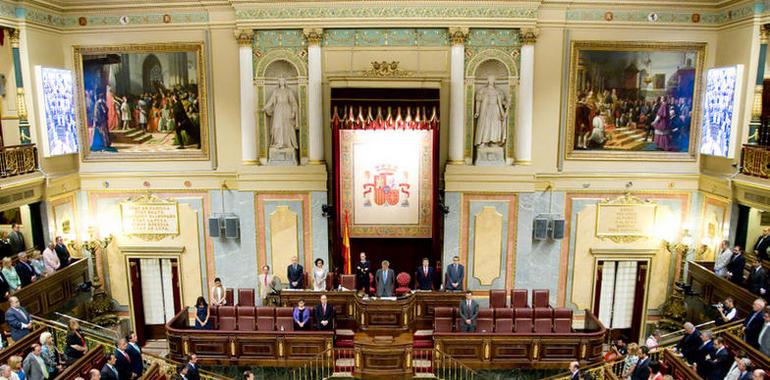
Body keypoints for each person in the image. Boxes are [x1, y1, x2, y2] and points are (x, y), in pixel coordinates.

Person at [263, 77, 299, 150]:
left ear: (285, 82)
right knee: (277, 125)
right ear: (278, 82)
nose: (281, 82)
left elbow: (293, 102)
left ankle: (288, 143)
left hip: (287, 109)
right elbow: (271, 101)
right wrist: (265, 107)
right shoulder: (276, 91)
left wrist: (293, 111)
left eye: (283, 80)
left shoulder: (289, 91)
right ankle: (278, 142)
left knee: (287, 126)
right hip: (278, 109)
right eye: (280, 81)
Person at [473, 75, 507, 147]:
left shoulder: (498, 91)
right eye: (490, 79)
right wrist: (477, 111)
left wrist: (507, 104)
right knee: (486, 125)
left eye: (493, 79)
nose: (491, 80)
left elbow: (502, 102)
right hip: (486, 110)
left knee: (495, 125)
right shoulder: (483, 91)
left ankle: (494, 142)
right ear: (487, 80)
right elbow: (478, 101)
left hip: (496, 110)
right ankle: (484, 141)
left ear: (495, 80)